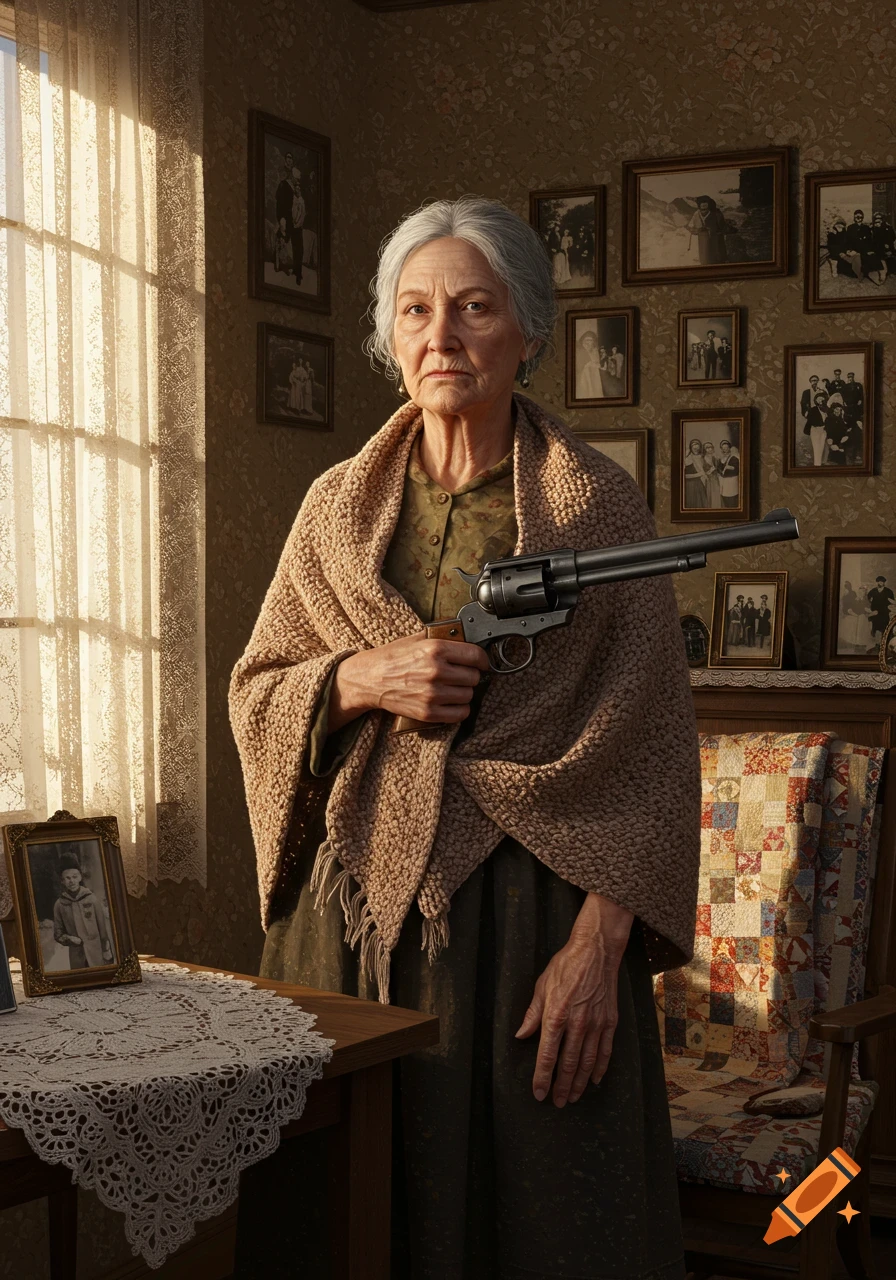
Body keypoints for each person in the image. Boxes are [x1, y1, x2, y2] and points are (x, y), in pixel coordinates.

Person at [229, 196, 699, 1280]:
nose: (441, 333)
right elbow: (258, 689)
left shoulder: (598, 508)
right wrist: (355, 676)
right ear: (390, 338)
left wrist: (597, 948)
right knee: (334, 1210)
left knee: (539, 1219)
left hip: (528, 921)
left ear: (526, 329)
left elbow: (651, 752)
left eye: (473, 306)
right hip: (344, 919)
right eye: (416, 309)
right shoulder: (332, 507)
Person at [52, 862, 114, 970]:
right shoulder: (60, 904)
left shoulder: (91, 898)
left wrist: (106, 950)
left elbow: (102, 928)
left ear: (80, 877)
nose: (72, 881)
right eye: (67, 878)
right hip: (77, 953)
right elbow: (58, 934)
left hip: (95, 950)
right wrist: (70, 939)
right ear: (62, 881)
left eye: (75, 877)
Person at [686, 195, 728, 264]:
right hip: (703, 241)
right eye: (702, 209)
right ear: (699, 207)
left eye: (706, 208)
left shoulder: (716, 214)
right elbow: (690, 226)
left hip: (716, 241)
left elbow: (722, 227)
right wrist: (696, 230)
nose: (704, 211)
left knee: (717, 258)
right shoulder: (696, 214)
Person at [274, 152, 296, 275]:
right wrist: (280, 216)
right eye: (288, 158)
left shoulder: (294, 175)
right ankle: (278, 264)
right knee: (281, 236)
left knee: (288, 238)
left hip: (291, 213)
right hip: (283, 211)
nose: (289, 160)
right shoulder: (282, 177)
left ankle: (286, 263)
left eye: (291, 158)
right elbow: (280, 197)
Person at [847, 209, 883, 284]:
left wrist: (870, 249)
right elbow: (848, 241)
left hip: (864, 249)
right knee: (860, 257)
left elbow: (869, 241)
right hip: (855, 249)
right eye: (856, 216)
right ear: (854, 217)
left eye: (860, 216)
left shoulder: (866, 228)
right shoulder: (850, 228)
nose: (858, 218)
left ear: (862, 217)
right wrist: (850, 250)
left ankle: (876, 275)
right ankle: (864, 274)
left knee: (871, 256)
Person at [575, 329, 604, 398]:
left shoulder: (594, 351)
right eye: (586, 340)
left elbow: (597, 362)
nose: (588, 342)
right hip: (583, 375)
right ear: (583, 341)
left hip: (594, 374)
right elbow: (579, 365)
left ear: (593, 342)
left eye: (590, 340)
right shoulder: (580, 351)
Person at [803, 390, 830, 466]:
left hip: (823, 430)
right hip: (815, 430)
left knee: (821, 448)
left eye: (822, 399)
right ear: (816, 400)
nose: (820, 400)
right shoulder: (813, 409)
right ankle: (817, 464)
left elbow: (829, 420)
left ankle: (819, 464)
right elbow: (811, 421)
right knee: (816, 448)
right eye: (819, 399)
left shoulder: (827, 409)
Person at [867, 575, 895, 642]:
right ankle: (875, 643)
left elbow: (892, 601)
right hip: (875, 612)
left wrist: (891, 601)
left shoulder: (888, 591)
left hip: (884, 612)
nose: (879, 583)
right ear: (876, 582)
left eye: (881, 582)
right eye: (878, 582)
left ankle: (883, 642)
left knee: (884, 628)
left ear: (884, 583)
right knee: (874, 628)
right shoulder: (873, 591)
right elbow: (868, 599)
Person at [290, 168, 306, 286]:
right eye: (296, 188)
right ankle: (295, 269)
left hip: (298, 228)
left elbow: (302, 215)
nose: (298, 190)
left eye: (299, 188)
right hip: (293, 227)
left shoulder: (301, 201)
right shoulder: (294, 200)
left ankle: (298, 273)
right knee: (295, 248)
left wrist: (297, 224)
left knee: (299, 250)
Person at [871, 212, 896, 283]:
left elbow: (892, 237)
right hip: (878, 248)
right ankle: (883, 272)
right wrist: (877, 229)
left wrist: (888, 244)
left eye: (880, 219)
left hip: (887, 247)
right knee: (880, 254)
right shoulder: (874, 228)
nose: (878, 220)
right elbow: (874, 240)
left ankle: (888, 271)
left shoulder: (888, 227)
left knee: (888, 253)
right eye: (876, 219)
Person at [684, 437, 707, 508]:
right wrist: (698, 474)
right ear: (691, 448)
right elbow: (685, 476)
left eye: (697, 446)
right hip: (691, 485)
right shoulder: (688, 459)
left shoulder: (703, 458)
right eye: (693, 446)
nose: (695, 448)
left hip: (700, 484)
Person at [718, 439, 740, 509]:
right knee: (724, 497)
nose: (725, 449)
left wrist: (731, 468)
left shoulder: (734, 458)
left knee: (732, 498)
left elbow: (737, 469)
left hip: (731, 481)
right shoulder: (721, 459)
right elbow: (719, 469)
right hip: (723, 481)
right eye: (723, 448)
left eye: (726, 448)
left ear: (729, 448)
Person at [701, 441, 721, 507]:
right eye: (707, 448)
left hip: (716, 479)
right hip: (708, 480)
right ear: (704, 449)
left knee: (717, 494)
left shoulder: (714, 458)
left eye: (711, 447)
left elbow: (718, 469)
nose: (710, 449)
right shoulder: (702, 459)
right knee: (709, 495)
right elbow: (702, 472)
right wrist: (710, 470)